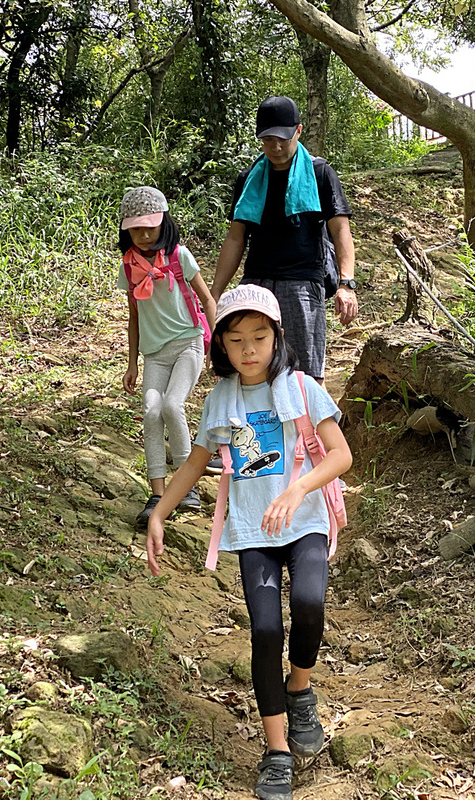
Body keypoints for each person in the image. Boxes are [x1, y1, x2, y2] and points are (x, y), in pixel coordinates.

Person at [144, 285, 352, 800]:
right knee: (264, 631)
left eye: (259, 336)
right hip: (252, 532)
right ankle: (277, 749)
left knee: (308, 603)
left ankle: (299, 687)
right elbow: (195, 463)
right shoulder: (220, 399)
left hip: (304, 521)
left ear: (277, 337)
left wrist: (299, 487)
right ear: (221, 347)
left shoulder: (303, 388)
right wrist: (160, 513)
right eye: (236, 340)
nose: (249, 349)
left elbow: (340, 455)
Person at [213, 95, 359, 385]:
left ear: (298, 132)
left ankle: (308, 431)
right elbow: (235, 238)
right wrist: (215, 293)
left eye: (283, 138)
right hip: (256, 282)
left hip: (302, 282)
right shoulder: (250, 178)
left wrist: (346, 284)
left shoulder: (319, 174)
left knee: (304, 374)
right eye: (268, 140)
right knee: (251, 368)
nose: (276, 147)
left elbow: (341, 231)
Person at [117, 186, 218, 528]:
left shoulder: (180, 257)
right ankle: (158, 493)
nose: (144, 235)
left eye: (150, 226)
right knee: (150, 411)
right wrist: (132, 362)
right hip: (155, 354)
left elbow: (207, 299)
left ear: (164, 223)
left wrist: (215, 346)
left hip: (188, 343)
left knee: (173, 406)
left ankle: (185, 485)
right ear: (125, 230)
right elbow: (134, 316)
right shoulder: (128, 267)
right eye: (135, 228)